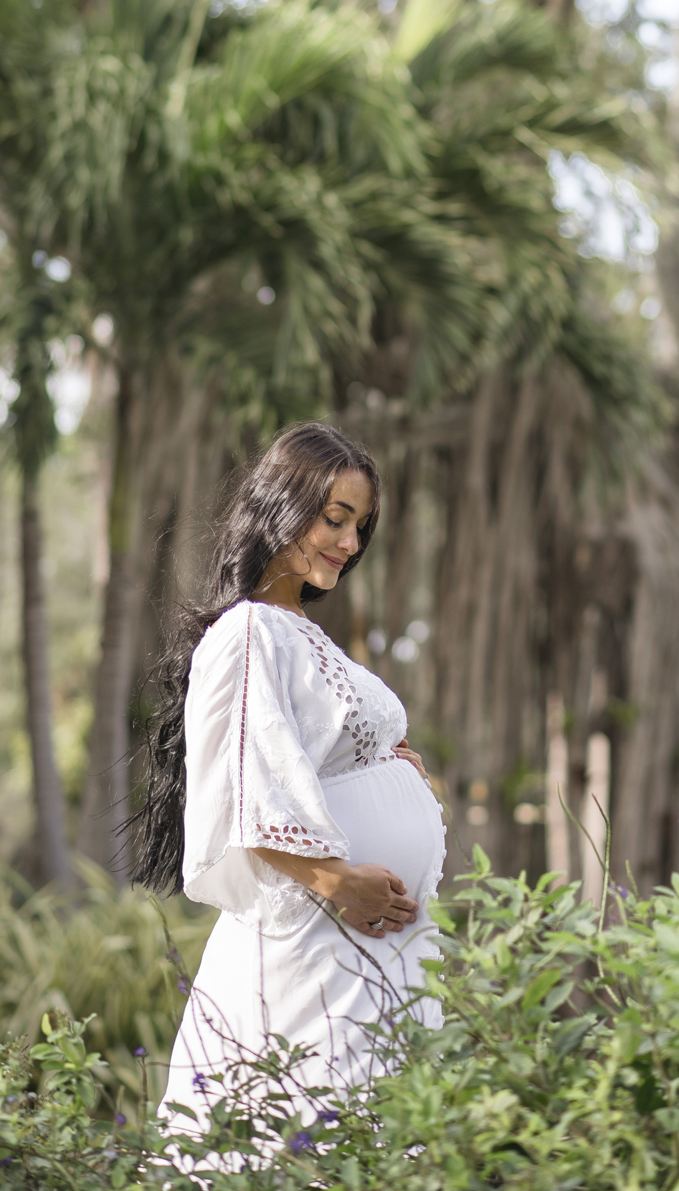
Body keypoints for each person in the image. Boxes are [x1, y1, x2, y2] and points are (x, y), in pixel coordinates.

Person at [128, 422, 446, 1147]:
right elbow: (242, 787)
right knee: (304, 1139)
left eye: (360, 526)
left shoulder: (295, 627)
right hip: (317, 940)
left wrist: (394, 766)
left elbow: (314, 751)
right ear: (280, 503)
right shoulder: (248, 631)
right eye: (334, 519)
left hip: (364, 950)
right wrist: (338, 882)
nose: (349, 543)